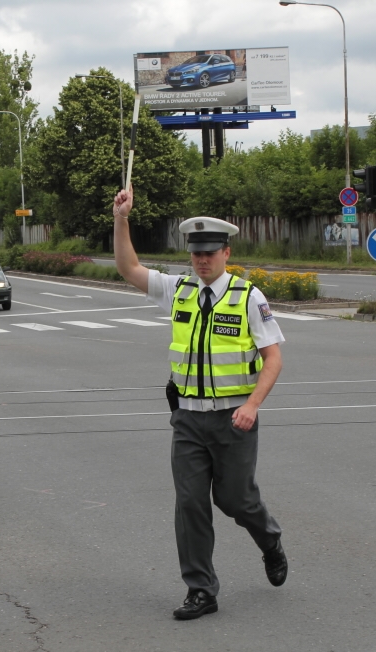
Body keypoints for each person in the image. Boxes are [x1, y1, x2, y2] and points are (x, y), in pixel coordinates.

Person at [112, 188, 288, 621]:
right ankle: (201, 590)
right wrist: (121, 219)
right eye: (196, 254)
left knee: (236, 500)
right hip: (188, 418)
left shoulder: (248, 298)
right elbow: (128, 267)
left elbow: (274, 358)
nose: (202, 260)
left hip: (234, 420)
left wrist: (252, 405)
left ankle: (269, 540)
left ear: (226, 252)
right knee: (190, 503)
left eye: (210, 253)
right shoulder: (179, 291)